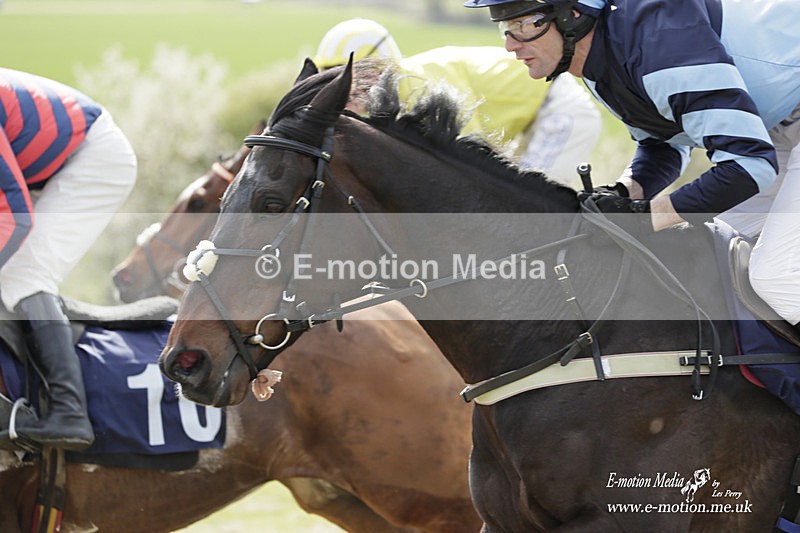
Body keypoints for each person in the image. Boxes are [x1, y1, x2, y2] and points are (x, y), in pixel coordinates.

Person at [464, 0, 800, 329]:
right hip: (780, 127)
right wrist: (623, 193)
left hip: (773, 137)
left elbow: (748, 166)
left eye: (523, 25)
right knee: (719, 259)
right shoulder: (600, 59)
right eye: (506, 28)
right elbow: (664, 143)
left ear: (572, 16)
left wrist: (643, 218)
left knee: (776, 279)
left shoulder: (661, 46)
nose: (510, 44)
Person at [0, 68, 137, 450]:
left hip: (94, 157)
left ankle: (69, 412)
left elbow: (13, 216)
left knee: (23, 272)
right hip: (48, 165)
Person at [314, 17, 602, 186]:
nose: (343, 92)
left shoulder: (416, 86)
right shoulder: (393, 91)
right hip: (530, 118)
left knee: (531, 211)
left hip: (558, 107)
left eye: (350, 79)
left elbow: (471, 147)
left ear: (378, 67)